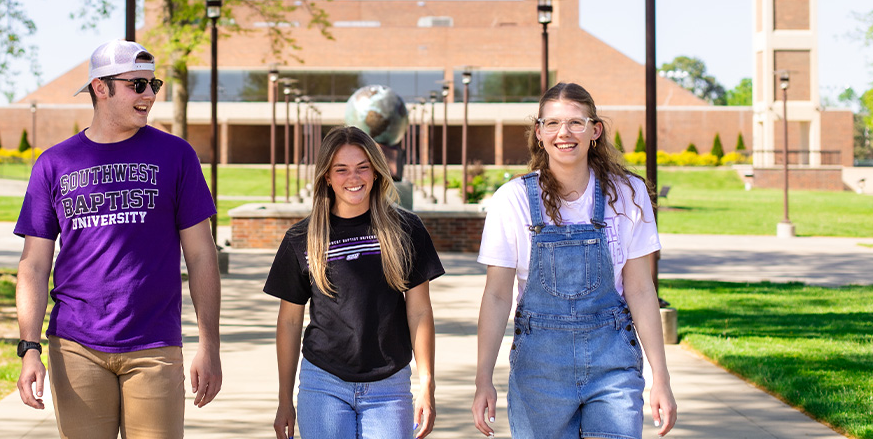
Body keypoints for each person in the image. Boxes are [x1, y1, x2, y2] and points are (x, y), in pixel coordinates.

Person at [14, 40, 221, 438]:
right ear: (100, 88)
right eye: (136, 85)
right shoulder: (54, 163)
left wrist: (209, 344)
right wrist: (29, 348)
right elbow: (34, 264)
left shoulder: (176, 155)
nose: (149, 96)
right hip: (75, 344)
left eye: (153, 85)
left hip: (155, 343)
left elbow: (201, 256)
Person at [472, 83, 677, 438]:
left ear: (595, 130)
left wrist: (661, 377)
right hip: (539, 368)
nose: (563, 133)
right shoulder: (513, 199)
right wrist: (482, 380)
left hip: (612, 361)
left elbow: (641, 289)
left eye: (575, 123)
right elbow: (497, 295)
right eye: (551, 124)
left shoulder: (627, 193)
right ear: (538, 132)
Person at [265, 125, 444, 439]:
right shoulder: (301, 238)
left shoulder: (406, 228)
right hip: (323, 382)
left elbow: (419, 313)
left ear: (376, 172)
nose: (354, 178)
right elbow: (289, 322)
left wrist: (426, 384)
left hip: (390, 383)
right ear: (327, 177)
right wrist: (284, 399)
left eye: (363, 168)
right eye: (342, 169)